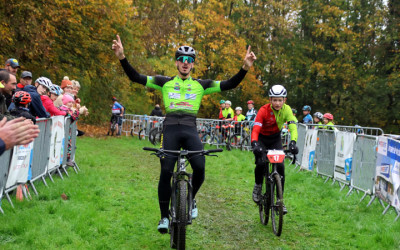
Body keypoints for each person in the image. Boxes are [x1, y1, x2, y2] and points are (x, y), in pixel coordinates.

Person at [112, 34, 256, 233]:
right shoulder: (164, 82)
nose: (185, 63)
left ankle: (190, 198)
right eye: (182, 59)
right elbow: (135, 77)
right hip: (170, 128)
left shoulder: (201, 85)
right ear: (176, 63)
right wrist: (122, 57)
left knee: (200, 166)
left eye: (189, 60)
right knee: (166, 171)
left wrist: (245, 67)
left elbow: (229, 84)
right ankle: (164, 217)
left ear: (193, 65)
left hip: (189, 128)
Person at [251, 85, 298, 214]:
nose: (277, 103)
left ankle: (279, 201)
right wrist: (255, 143)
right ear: (270, 100)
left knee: (281, 167)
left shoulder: (287, 110)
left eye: (280, 100)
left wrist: (293, 142)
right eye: (275, 100)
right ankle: (258, 186)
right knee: (260, 163)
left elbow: (292, 126)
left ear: (285, 100)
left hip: (275, 139)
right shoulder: (263, 110)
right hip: (262, 138)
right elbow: (256, 129)